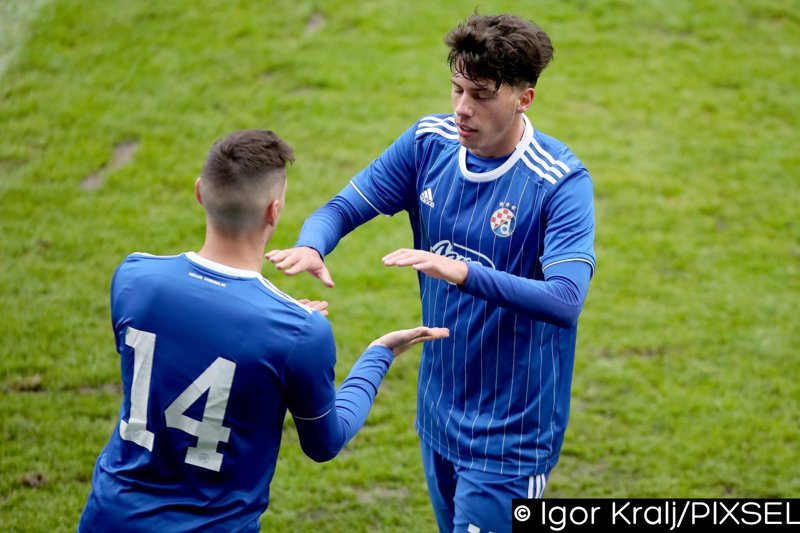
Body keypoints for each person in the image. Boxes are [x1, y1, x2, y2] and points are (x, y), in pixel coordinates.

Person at [266, 13, 596, 533]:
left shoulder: (559, 182)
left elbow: (565, 299)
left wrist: (461, 271)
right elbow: (342, 207)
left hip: (511, 436)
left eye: (481, 95)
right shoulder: (428, 143)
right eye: (457, 89)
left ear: (524, 99)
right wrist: (313, 244)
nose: (463, 108)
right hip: (439, 413)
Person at [76, 129, 449, 533]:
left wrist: (279, 329)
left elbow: (186, 337)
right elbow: (325, 443)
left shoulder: (133, 276)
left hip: (106, 518)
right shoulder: (298, 333)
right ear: (274, 212)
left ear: (200, 192)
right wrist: (379, 353)